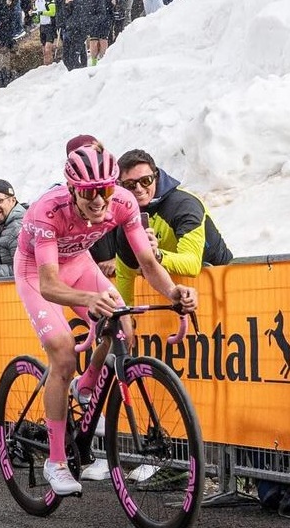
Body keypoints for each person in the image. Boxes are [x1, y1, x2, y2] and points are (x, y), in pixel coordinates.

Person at [14, 143, 198, 496]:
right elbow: (50, 285)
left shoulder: (124, 203)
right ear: (71, 190)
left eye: (105, 190)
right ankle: (55, 461)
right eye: (88, 193)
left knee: (124, 326)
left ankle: (87, 385)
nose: (99, 200)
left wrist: (173, 291)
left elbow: (148, 263)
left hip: (78, 264)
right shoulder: (46, 212)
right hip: (38, 274)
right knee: (63, 352)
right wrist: (90, 299)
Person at [114, 148, 233, 305]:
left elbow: (192, 264)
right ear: (120, 186)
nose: (139, 189)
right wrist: (125, 319)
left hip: (221, 289)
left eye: (145, 181)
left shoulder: (184, 205)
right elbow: (124, 274)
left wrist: (156, 255)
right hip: (177, 294)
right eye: (130, 185)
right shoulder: (128, 215)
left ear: (155, 177)